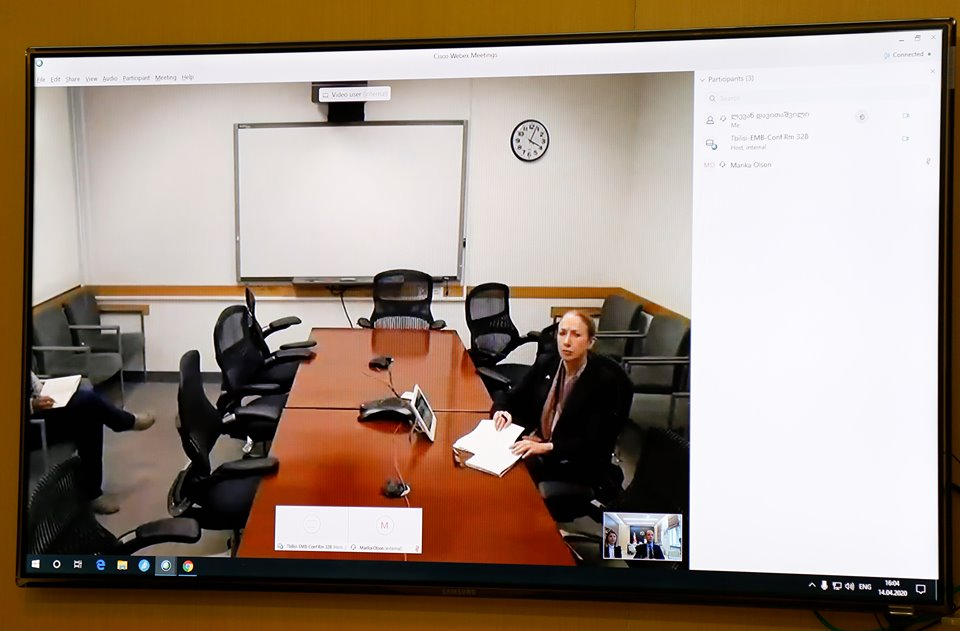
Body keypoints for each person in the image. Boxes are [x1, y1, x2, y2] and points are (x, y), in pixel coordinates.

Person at [492, 310, 632, 492]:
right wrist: (501, 410)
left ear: (590, 342)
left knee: (513, 484)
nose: (566, 342)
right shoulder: (547, 363)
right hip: (536, 443)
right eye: (562, 333)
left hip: (572, 461)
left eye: (576, 335)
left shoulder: (603, 382)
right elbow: (512, 396)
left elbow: (593, 442)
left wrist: (547, 447)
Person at [29, 372, 155, 514]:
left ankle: (93, 493)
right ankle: (126, 422)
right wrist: (32, 404)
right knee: (88, 404)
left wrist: (42, 388)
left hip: (39, 409)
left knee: (90, 411)